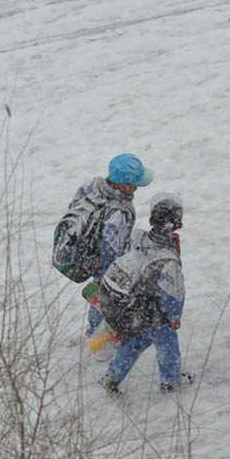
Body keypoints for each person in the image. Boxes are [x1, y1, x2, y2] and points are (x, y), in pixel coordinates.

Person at [99, 193, 193, 394]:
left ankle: (112, 377)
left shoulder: (137, 238)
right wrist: (174, 317)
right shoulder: (167, 260)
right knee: (167, 345)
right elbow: (173, 294)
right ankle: (171, 381)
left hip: (131, 305)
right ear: (179, 225)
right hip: (152, 311)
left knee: (134, 342)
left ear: (151, 220)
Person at [73, 153, 154, 358]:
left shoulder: (93, 186)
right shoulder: (117, 213)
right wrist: (118, 272)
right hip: (104, 262)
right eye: (134, 184)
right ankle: (101, 343)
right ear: (125, 185)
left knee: (98, 295)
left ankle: (93, 328)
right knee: (106, 298)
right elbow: (112, 249)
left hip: (89, 253)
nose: (136, 188)